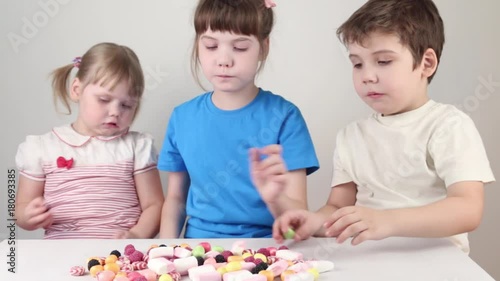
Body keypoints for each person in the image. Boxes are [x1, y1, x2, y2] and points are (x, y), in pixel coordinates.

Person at [273, 0, 495, 254]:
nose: (367, 75)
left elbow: (468, 209)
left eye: (383, 61)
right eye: (357, 64)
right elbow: (337, 208)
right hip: (371, 260)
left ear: (427, 63)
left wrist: (386, 221)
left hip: (437, 263)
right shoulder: (351, 136)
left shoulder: (448, 126)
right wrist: (312, 221)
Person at [158, 0, 319, 238]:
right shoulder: (182, 117)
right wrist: (165, 250)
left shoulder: (285, 117)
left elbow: (298, 218)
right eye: (211, 46)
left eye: (240, 47)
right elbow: (175, 199)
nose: (224, 60)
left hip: (268, 248)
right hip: (199, 249)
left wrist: (276, 198)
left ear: (264, 48)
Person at [15, 42, 164, 239]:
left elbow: (154, 205)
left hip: (118, 256)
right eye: (103, 100)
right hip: (61, 253)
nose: (115, 112)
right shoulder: (43, 148)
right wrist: (27, 216)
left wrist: (137, 235)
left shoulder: (136, 147)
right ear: (76, 89)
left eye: (127, 105)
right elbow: (20, 208)